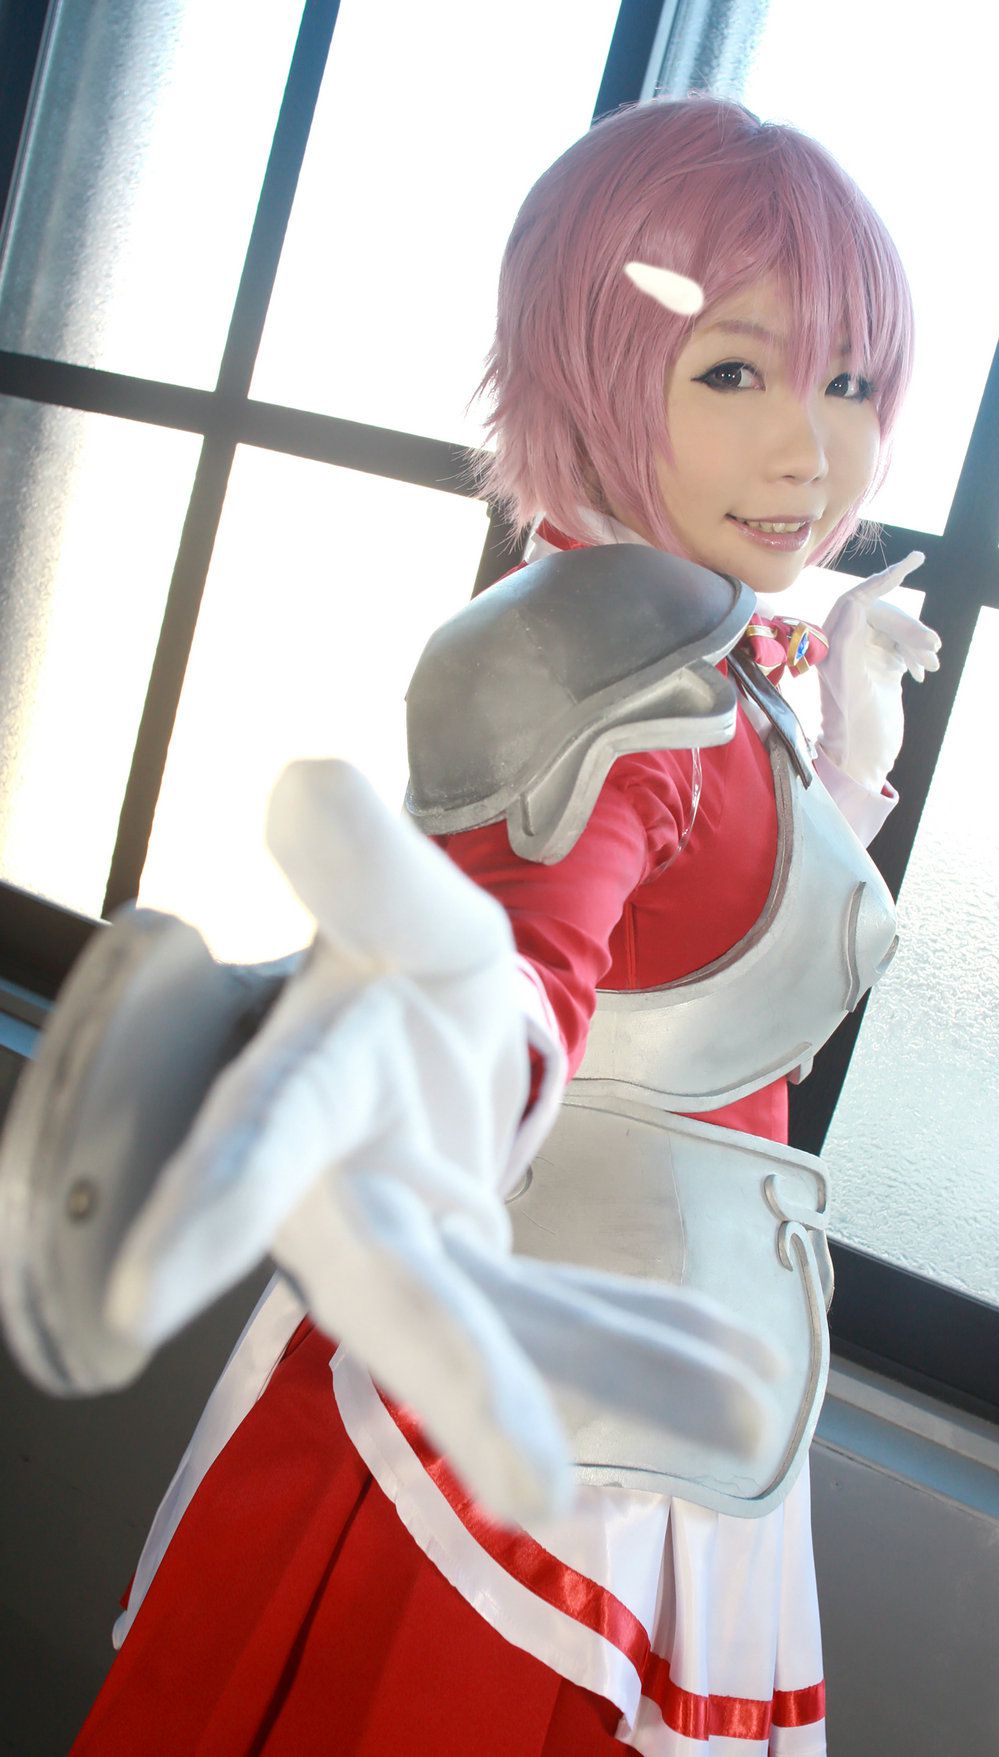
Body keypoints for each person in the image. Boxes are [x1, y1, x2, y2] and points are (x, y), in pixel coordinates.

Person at [12, 93, 937, 1753]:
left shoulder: (704, 649)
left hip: (663, 1389)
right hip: (543, 1449)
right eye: (736, 372)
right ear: (593, 364)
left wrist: (847, 758)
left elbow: (700, 971)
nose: (812, 448)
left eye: (850, 382)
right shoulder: (604, 670)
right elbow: (528, 979)